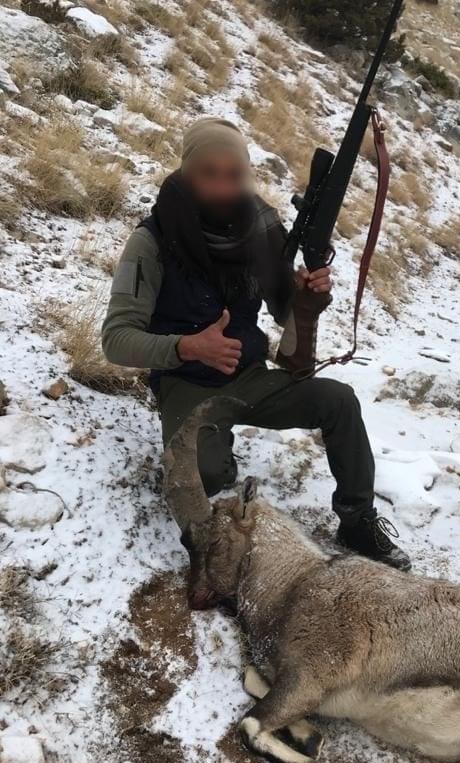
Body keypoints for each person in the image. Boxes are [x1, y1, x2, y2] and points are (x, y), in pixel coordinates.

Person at [102, 116, 410, 571]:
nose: (225, 188)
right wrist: (187, 348)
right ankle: (216, 452)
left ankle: (357, 518)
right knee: (205, 477)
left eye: (235, 174)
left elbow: (285, 310)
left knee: (339, 401)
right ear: (187, 173)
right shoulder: (151, 242)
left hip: (250, 376)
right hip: (187, 383)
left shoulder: (259, 225)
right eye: (210, 174)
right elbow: (116, 340)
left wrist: (308, 299)